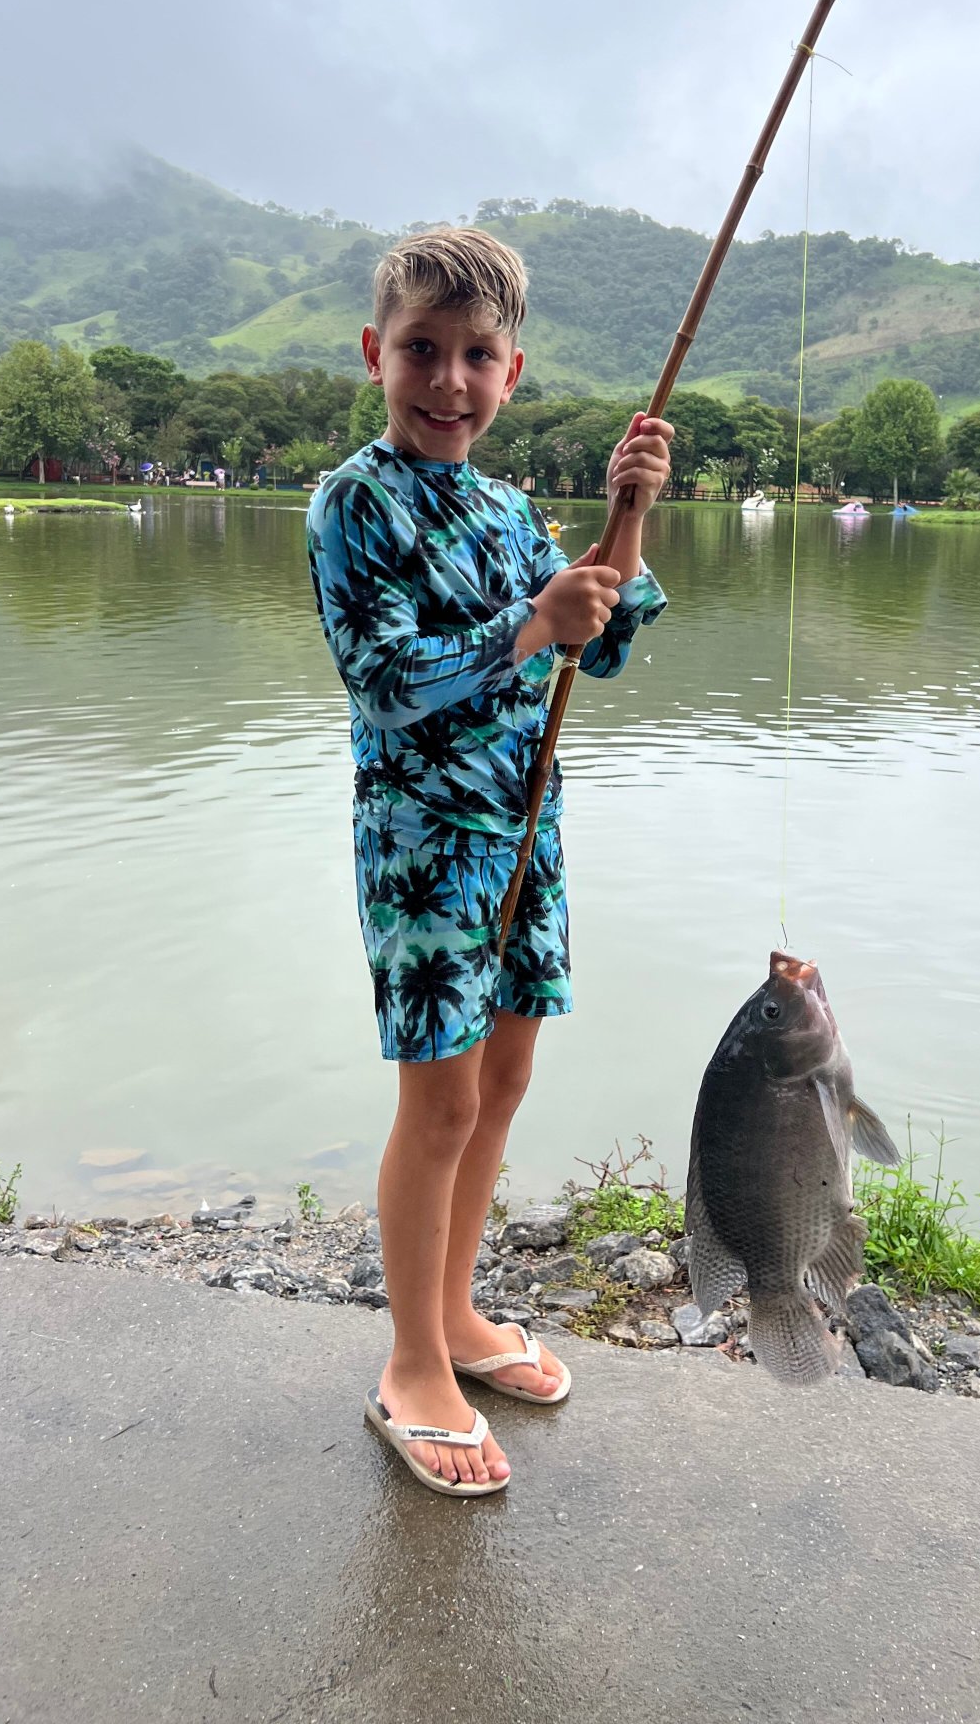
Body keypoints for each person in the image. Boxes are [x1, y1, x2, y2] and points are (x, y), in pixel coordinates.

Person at [306, 228, 671, 1495]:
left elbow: (604, 646)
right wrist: (528, 626)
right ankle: (411, 1362)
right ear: (376, 355)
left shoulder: (515, 510)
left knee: (504, 1078)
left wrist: (627, 524)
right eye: (421, 350)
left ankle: (459, 1316)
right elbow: (385, 680)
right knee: (440, 1099)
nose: (446, 380)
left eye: (475, 356)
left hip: (529, 831)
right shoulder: (355, 500)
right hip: (424, 848)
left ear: (512, 373)